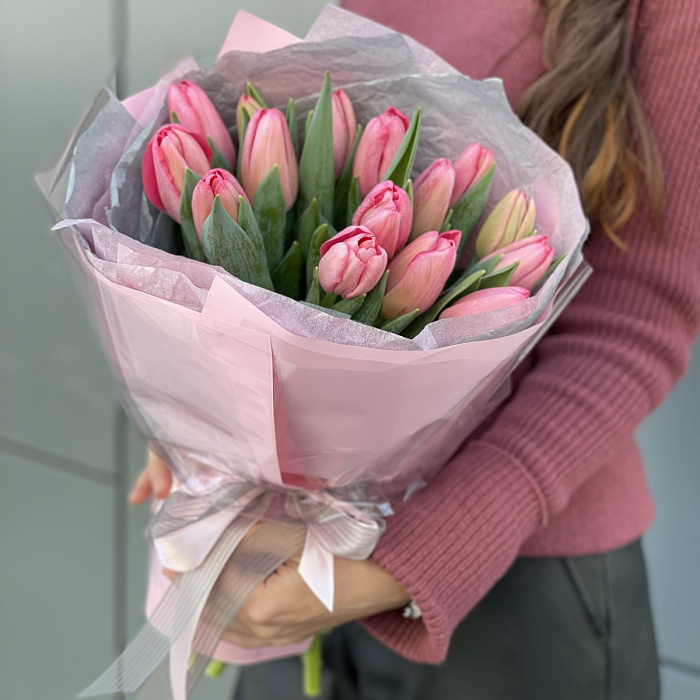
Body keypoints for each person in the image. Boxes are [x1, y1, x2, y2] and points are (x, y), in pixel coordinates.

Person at [130, 0, 700, 697]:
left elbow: (632, 328)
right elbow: (326, 141)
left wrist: (404, 566)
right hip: (290, 547)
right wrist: (200, 413)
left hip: (509, 590)